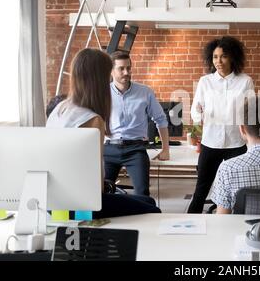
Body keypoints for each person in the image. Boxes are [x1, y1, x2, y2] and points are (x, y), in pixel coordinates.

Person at [46, 48, 161, 218]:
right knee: (152, 209)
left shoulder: (60, 109)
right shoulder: (92, 119)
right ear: (99, 79)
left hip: (54, 199)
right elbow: (96, 183)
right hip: (79, 204)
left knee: (146, 201)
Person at [187, 36, 255, 213]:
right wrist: (195, 133)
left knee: (238, 190)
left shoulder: (245, 81)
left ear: (233, 57)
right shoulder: (205, 81)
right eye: (215, 56)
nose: (218, 61)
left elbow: (251, 112)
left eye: (223, 56)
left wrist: (252, 138)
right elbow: (196, 111)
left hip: (236, 144)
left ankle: (234, 225)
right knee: (201, 190)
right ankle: (189, 224)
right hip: (210, 142)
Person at [104, 51, 170, 196]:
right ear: (111, 70)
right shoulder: (103, 93)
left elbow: (161, 119)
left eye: (128, 67)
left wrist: (165, 149)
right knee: (101, 193)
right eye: (121, 68)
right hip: (109, 149)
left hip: (135, 149)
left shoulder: (145, 92)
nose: (126, 72)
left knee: (142, 192)